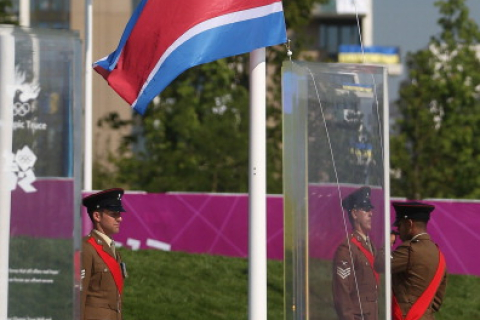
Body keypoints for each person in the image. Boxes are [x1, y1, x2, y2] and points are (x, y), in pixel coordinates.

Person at [332, 186, 383, 320]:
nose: (371, 213)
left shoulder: (370, 245)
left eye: (370, 209)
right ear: (354, 214)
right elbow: (342, 295)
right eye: (366, 210)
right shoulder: (347, 249)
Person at [390, 201, 447, 320]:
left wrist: (387, 243)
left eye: (399, 225)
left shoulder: (409, 249)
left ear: (409, 224)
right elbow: (437, 300)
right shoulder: (438, 254)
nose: (398, 231)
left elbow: (379, 264)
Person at [81, 188, 128, 320]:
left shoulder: (112, 249)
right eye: (114, 214)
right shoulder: (86, 248)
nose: (119, 219)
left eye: (119, 214)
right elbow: (79, 295)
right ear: (97, 216)